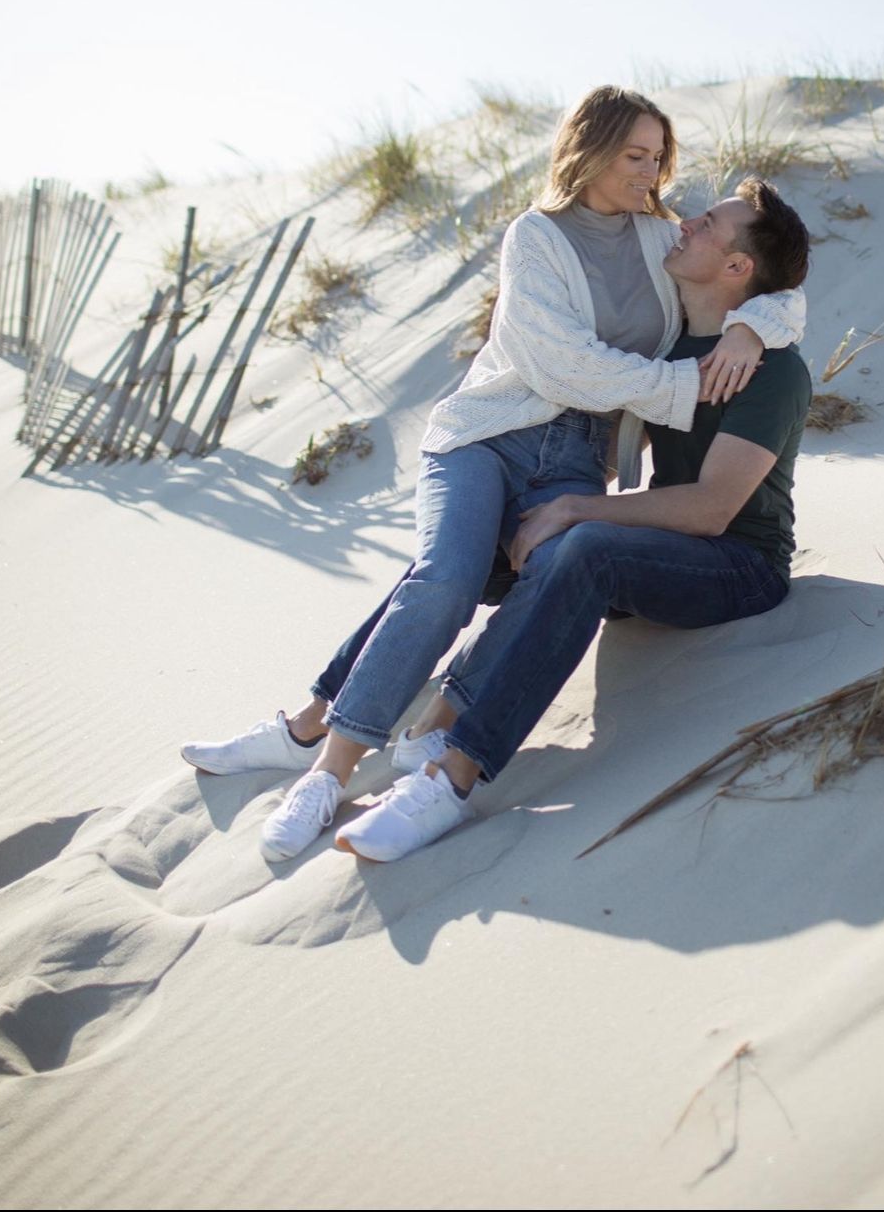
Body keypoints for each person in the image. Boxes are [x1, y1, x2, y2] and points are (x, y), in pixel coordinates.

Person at [180, 88, 806, 859]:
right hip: (501, 437)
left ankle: (435, 756)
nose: (659, 182)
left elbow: (767, 300)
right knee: (452, 567)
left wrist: (754, 326)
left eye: (658, 160)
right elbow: (574, 356)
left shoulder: (712, 299)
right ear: (591, 150)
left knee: (552, 557)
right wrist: (704, 363)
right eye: (634, 156)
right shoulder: (577, 264)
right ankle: (319, 746)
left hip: (657, 511)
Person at [332, 177, 813, 862]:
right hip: (654, 547)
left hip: (740, 566)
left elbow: (711, 511)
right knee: (472, 546)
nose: (685, 225)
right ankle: (327, 718)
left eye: (707, 225)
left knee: (583, 544)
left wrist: (575, 506)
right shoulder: (671, 353)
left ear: (738, 268)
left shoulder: (772, 371)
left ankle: (451, 775)